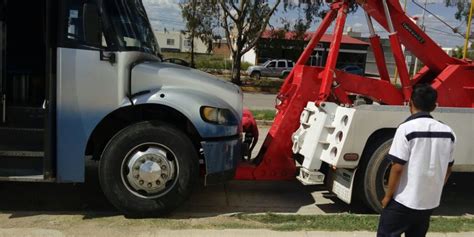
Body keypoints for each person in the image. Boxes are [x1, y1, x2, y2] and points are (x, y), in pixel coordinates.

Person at [377, 84, 456, 237]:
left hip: (403, 201)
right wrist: (434, 190)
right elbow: (448, 168)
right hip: (429, 203)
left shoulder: (406, 129)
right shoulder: (448, 132)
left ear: (410, 103)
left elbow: (397, 167)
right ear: (434, 106)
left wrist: (387, 196)